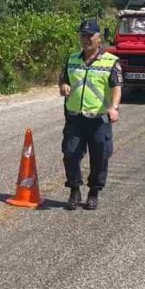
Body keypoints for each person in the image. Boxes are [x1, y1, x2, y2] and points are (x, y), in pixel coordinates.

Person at [58, 18, 123, 211]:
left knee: (100, 157)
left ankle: (94, 192)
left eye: (89, 35)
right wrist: (63, 86)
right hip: (75, 117)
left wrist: (114, 107)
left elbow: (117, 87)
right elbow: (63, 79)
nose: (85, 39)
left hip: (99, 119)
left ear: (98, 38)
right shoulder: (72, 59)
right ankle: (74, 190)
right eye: (82, 35)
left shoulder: (111, 61)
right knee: (70, 154)